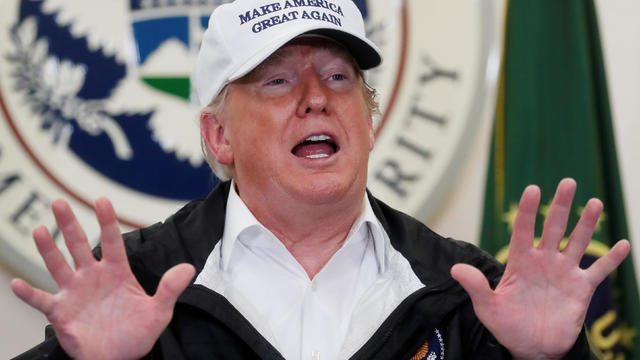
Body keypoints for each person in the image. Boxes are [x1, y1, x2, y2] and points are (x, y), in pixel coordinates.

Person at [11, 0, 631, 359]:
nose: (315, 98)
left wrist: (549, 359)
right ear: (217, 136)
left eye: (339, 78)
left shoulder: (468, 294)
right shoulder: (139, 283)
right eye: (278, 80)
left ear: (368, 118)